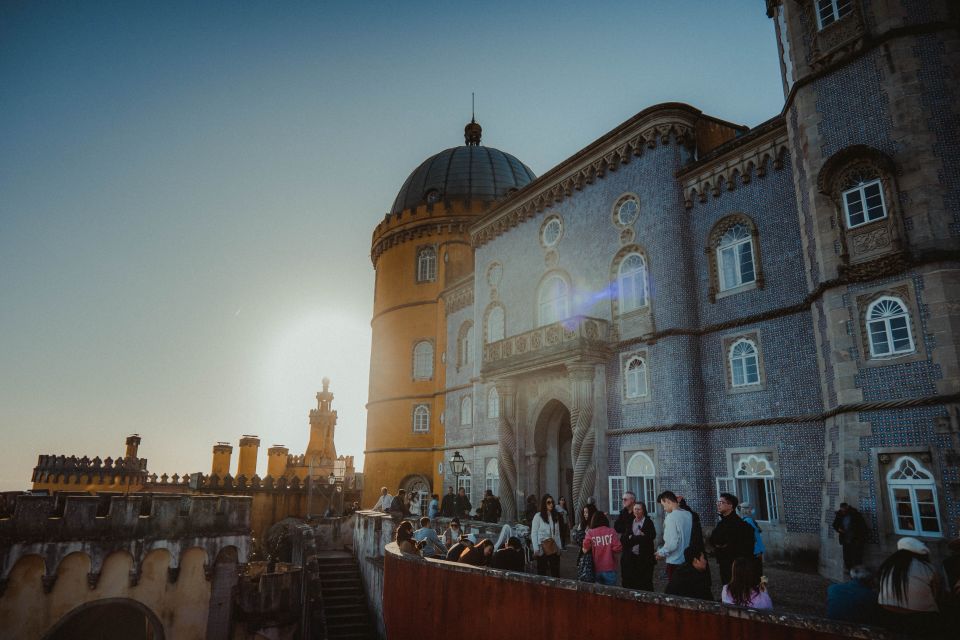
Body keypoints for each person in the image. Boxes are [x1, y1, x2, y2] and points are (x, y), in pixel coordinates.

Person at [878, 537, 942, 634]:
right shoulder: (928, 568)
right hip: (919, 616)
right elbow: (936, 594)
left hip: (887, 613)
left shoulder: (887, 566)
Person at [710, 492, 755, 585]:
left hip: (734, 563)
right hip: (724, 562)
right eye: (718, 502)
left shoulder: (737, 523)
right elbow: (713, 539)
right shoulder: (723, 522)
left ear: (730, 506)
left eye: (721, 502)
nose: (718, 504)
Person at [655, 491, 693, 581]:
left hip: (675, 560)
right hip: (686, 558)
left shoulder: (671, 517)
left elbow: (672, 543)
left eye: (664, 505)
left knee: (675, 589)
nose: (664, 509)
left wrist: (661, 553)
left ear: (668, 501)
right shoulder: (688, 514)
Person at [621, 501, 656, 590]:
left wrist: (633, 538)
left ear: (643, 510)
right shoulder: (630, 522)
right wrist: (638, 538)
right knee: (633, 581)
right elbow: (624, 539)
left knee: (645, 582)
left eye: (639, 509)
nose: (636, 511)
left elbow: (652, 536)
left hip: (644, 557)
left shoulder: (648, 522)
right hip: (632, 556)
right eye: (635, 509)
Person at [583, 511, 622, 586]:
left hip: (596, 568)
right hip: (610, 568)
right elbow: (618, 548)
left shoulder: (590, 532)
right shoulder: (611, 531)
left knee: (599, 594)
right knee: (611, 594)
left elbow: (585, 549)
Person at [531, 493, 562, 577]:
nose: (551, 504)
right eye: (548, 502)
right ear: (544, 504)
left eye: (552, 502)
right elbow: (534, 533)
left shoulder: (555, 516)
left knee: (555, 571)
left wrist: (559, 547)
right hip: (542, 547)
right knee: (542, 572)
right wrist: (536, 548)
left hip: (553, 546)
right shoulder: (538, 516)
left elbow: (557, 533)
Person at [832, 502, 868, 573]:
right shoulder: (839, 515)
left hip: (855, 538)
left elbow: (862, 526)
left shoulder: (855, 514)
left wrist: (861, 536)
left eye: (844, 509)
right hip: (845, 538)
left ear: (847, 507)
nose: (843, 511)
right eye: (842, 510)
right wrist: (839, 529)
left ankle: (857, 571)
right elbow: (835, 524)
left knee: (856, 555)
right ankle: (848, 569)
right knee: (847, 555)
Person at [573, 503, 598, 582]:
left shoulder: (596, 524)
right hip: (584, 553)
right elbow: (577, 539)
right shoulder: (582, 524)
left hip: (594, 554)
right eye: (584, 512)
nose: (585, 515)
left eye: (587, 512)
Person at [739, 502, 766, 575]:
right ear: (747, 510)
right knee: (758, 571)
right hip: (755, 549)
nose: (752, 510)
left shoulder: (748, 520)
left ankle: (762, 585)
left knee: (757, 571)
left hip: (756, 549)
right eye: (751, 508)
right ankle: (762, 585)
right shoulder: (748, 520)